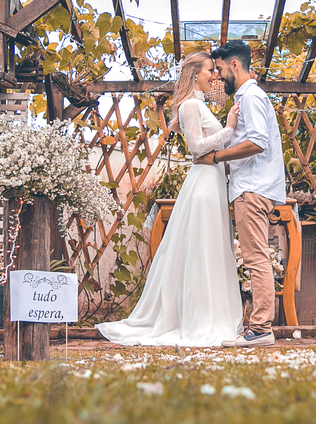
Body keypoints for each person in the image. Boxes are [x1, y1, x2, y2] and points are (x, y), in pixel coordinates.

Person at [96, 51, 244, 346]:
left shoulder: (201, 105)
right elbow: (197, 148)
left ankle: (215, 314)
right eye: (208, 70)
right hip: (203, 185)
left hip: (214, 183)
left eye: (215, 71)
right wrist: (228, 129)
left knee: (212, 249)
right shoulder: (190, 105)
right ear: (194, 75)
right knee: (201, 250)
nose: (213, 75)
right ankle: (197, 317)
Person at [199, 40, 287, 347]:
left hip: (252, 187)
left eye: (221, 69)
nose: (219, 76)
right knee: (256, 256)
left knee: (255, 257)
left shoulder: (251, 96)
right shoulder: (248, 97)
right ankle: (258, 327)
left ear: (235, 65)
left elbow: (259, 141)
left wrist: (218, 157)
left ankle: (261, 328)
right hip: (252, 185)